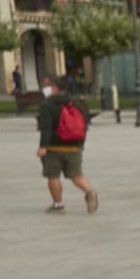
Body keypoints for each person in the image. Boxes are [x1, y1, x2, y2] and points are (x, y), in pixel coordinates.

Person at [36, 77, 98, 213]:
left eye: (47, 86)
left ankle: (58, 205)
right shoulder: (76, 103)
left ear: (55, 88)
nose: (44, 89)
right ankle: (90, 192)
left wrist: (43, 147)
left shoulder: (47, 105)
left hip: (54, 147)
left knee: (53, 176)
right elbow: (84, 124)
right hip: (74, 146)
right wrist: (81, 143)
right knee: (77, 175)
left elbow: (46, 128)